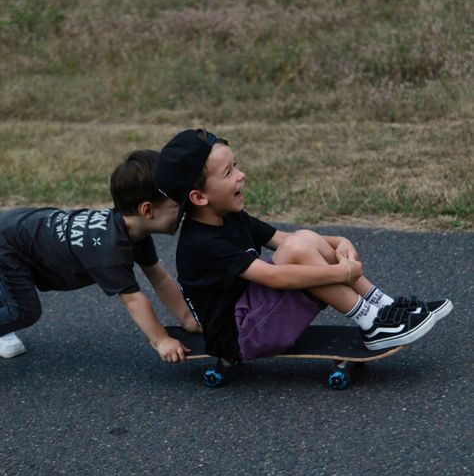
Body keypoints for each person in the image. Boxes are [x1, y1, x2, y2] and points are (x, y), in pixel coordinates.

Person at [154, 128, 452, 362]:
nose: (241, 175)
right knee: (297, 250)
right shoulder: (201, 243)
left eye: (237, 166)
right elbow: (274, 277)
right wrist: (342, 273)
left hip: (253, 310)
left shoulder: (229, 217)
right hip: (241, 335)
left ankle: (382, 306)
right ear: (198, 197)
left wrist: (340, 242)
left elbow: (285, 239)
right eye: (229, 173)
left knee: (303, 239)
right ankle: (372, 323)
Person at [0, 149, 200, 361]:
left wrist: (188, 318)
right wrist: (162, 340)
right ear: (147, 210)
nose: (185, 211)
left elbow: (158, 276)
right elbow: (133, 300)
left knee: (11, 292)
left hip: (21, 228)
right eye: (178, 206)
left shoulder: (134, 231)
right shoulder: (109, 250)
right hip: (9, 244)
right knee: (23, 311)